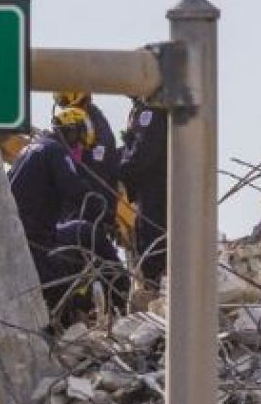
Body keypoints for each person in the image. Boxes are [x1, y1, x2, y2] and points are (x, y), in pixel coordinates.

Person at [9, 107, 93, 309]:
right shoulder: (56, 150)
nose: (78, 147)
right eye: (78, 140)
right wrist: (96, 200)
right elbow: (72, 187)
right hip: (35, 234)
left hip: (18, 230)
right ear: (71, 131)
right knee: (58, 283)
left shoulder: (29, 149)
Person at [119, 98, 169, 284]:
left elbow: (143, 152)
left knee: (151, 240)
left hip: (154, 188)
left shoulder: (151, 111)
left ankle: (154, 284)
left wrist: (121, 169)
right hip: (154, 187)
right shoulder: (147, 109)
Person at [54, 92, 120, 226]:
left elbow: (98, 167)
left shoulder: (94, 123)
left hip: (91, 206)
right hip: (84, 203)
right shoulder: (86, 118)